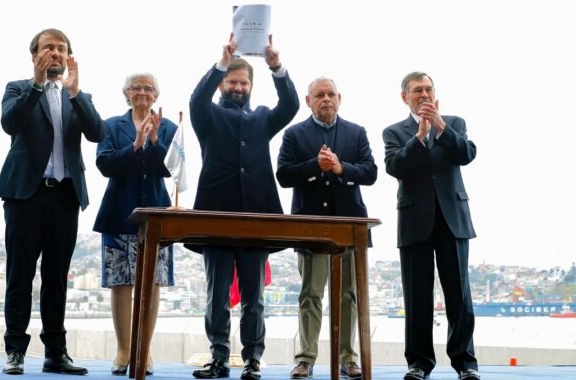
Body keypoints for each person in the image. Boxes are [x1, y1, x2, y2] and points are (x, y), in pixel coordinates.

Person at [0, 28, 105, 376]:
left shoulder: (77, 95)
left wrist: (75, 93)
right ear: (34, 55)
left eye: (61, 49)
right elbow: (10, 123)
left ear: (69, 56)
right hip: (25, 194)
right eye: (48, 48)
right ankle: (15, 351)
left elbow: (98, 133)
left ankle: (56, 353)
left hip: (65, 196)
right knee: (20, 275)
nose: (55, 53)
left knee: (57, 278)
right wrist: (37, 84)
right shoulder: (18, 88)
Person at [188, 34, 299, 380]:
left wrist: (275, 65)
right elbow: (196, 98)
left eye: (243, 82)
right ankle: (219, 359)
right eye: (232, 81)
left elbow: (291, 105)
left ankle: (253, 360)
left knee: (255, 299)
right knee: (216, 297)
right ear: (223, 83)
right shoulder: (207, 116)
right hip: (216, 217)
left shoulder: (263, 118)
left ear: (251, 85)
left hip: (257, 217)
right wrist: (221, 61)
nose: (238, 87)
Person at [276, 77, 377, 379]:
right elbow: (283, 175)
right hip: (310, 228)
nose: (326, 99)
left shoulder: (356, 133)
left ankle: (348, 359)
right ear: (308, 101)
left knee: (349, 296)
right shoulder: (294, 134)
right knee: (310, 295)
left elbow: (370, 172)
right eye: (319, 95)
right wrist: (314, 168)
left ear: (340, 98)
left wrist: (340, 168)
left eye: (331, 94)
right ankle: (305, 359)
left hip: (350, 228)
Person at [382, 72, 480, 380]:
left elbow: (467, 153)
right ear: (405, 97)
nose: (423, 94)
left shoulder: (455, 123)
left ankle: (466, 364)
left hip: (453, 220)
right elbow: (394, 167)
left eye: (428, 89)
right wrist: (420, 137)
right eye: (417, 91)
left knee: (459, 295)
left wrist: (440, 127)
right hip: (414, 222)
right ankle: (419, 364)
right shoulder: (394, 132)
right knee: (417, 295)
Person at [93, 73, 177, 376]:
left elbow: (173, 168)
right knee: (120, 283)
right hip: (118, 213)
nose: (142, 92)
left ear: (156, 95)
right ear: (126, 93)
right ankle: (124, 350)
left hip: (157, 216)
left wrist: (154, 140)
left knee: (152, 285)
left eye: (148, 88)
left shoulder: (169, 126)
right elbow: (104, 164)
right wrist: (136, 143)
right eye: (136, 88)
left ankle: (144, 350)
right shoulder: (111, 126)